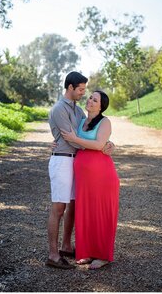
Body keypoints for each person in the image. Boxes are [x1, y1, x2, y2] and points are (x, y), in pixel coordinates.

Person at [45, 72, 114, 269]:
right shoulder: (59, 109)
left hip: (76, 164)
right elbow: (71, 137)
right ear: (70, 88)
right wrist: (100, 145)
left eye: (87, 91)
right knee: (59, 208)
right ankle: (53, 255)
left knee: (75, 206)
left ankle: (66, 246)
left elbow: (91, 131)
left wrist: (108, 143)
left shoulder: (78, 111)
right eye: (82, 90)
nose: (84, 94)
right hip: (62, 161)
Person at [60, 90, 119, 270]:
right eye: (91, 98)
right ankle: (87, 252)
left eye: (95, 100)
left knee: (101, 213)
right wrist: (55, 144)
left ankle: (103, 255)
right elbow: (72, 142)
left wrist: (75, 138)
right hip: (84, 178)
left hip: (102, 175)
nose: (91, 101)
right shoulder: (82, 121)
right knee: (86, 213)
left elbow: (100, 144)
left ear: (101, 106)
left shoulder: (105, 121)